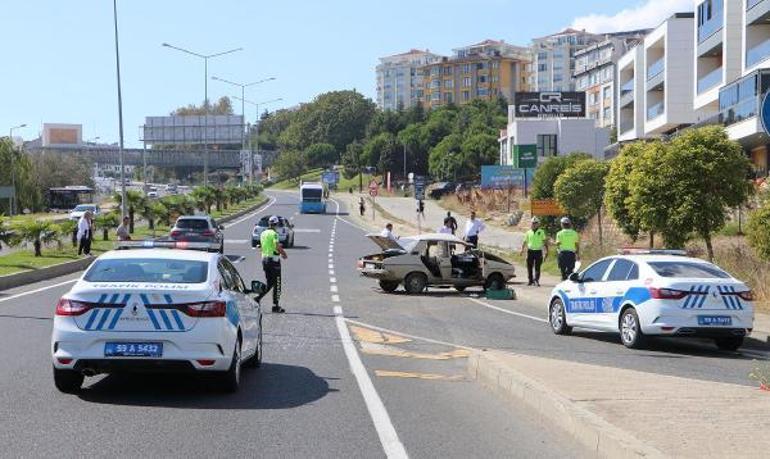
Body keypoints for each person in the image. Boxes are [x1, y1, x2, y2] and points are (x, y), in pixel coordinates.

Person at [257, 216, 288, 313]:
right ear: (276, 224)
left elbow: (261, 246)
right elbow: (276, 246)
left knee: (270, 283)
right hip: (274, 261)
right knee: (277, 283)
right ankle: (276, 306)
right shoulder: (274, 234)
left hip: (264, 260)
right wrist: (283, 254)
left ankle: (257, 299)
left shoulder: (263, 233)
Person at [520, 217, 548, 286]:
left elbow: (544, 242)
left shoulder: (541, 232)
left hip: (538, 251)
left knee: (537, 267)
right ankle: (530, 280)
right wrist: (522, 250)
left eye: (535, 223)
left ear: (538, 224)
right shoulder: (528, 232)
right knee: (529, 266)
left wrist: (546, 251)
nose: (534, 224)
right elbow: (525, 241)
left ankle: (536, 280)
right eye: (533, 223)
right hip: (530, 251)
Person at [555, 216, 580, 281]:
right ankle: (569, 282)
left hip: (562, 254)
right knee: (570, 270)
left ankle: (564, 279)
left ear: (562, 224)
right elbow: (576, 245)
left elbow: (557, 244)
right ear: (569, 224)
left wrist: (558, 250)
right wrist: (577, 254)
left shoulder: (559, 233)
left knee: (562, 269)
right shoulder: (574, 233)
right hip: (571, 254)